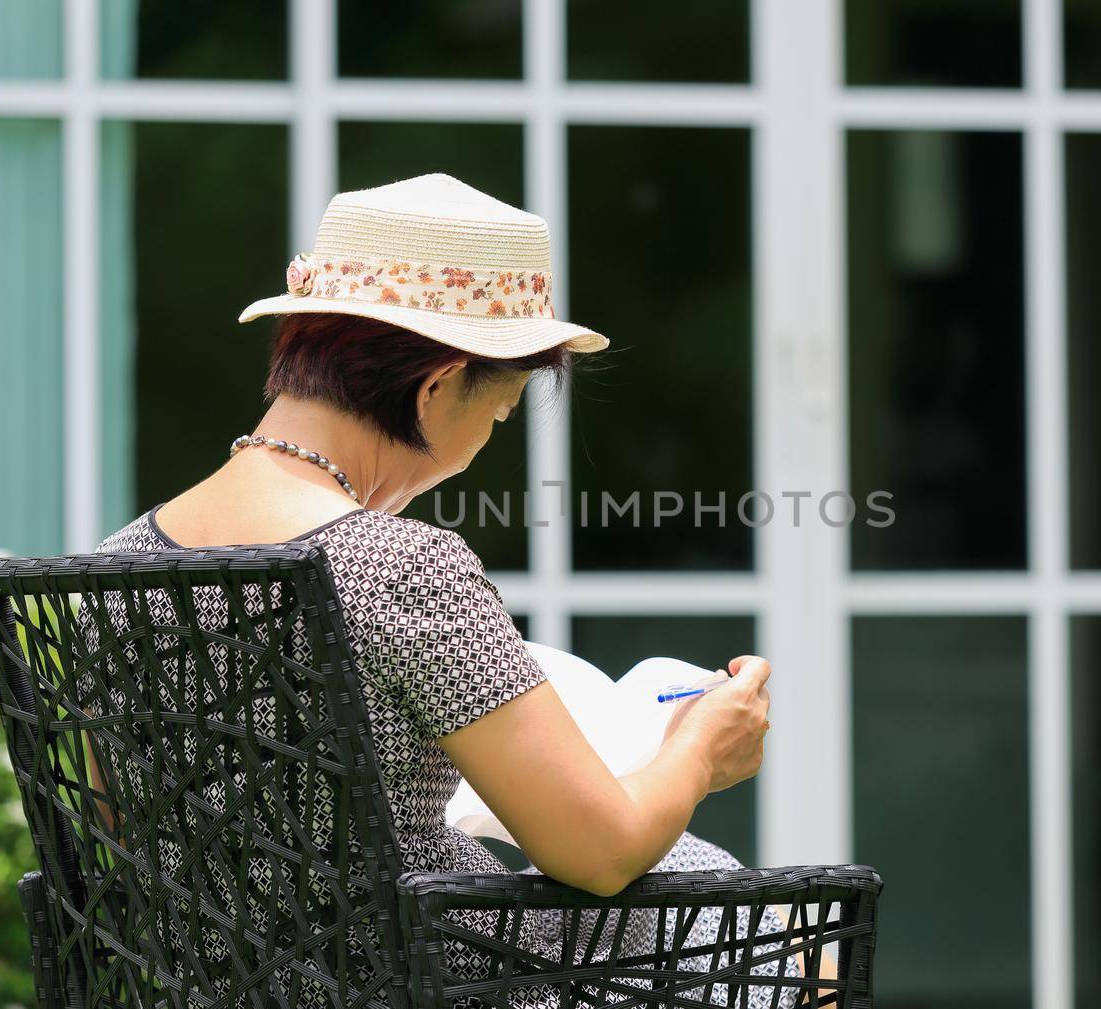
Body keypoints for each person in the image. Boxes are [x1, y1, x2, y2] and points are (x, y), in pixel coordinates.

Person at [94, 174, 826, 1008]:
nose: (488, 438)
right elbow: (601, 851)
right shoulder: (404, 566)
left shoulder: (117, 564)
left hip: (205, 981)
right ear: (437, 387)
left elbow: (119, 832)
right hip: (429, 975)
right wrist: (701, 747)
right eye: (500, 410)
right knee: (782, 933)